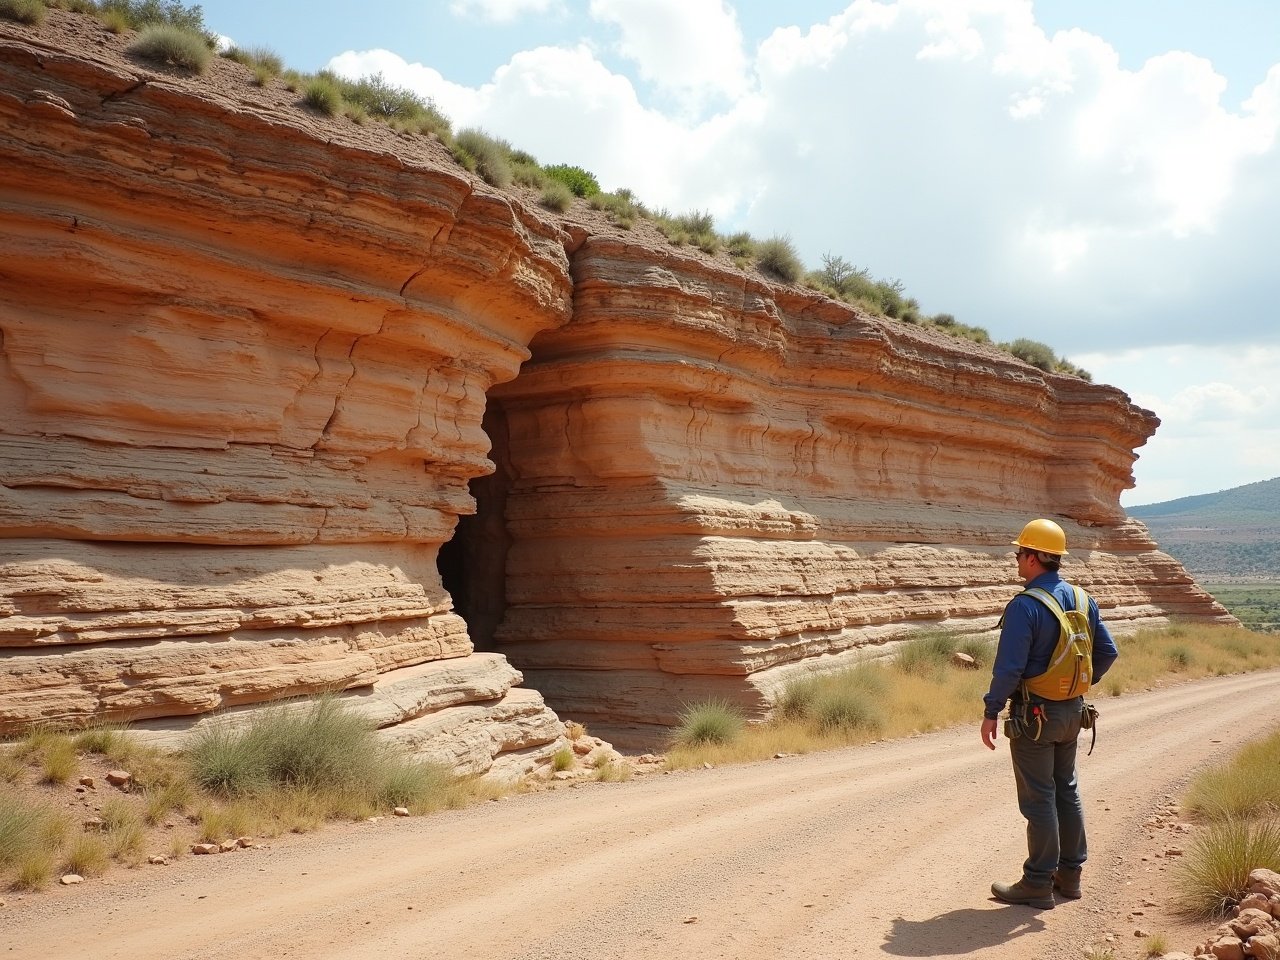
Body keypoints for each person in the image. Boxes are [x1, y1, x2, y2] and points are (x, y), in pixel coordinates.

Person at [980, 518, 1119, 909]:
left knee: (1039, 798)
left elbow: (1008, 669)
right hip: (1073, 712)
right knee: (1066, 790)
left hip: (1034, 717)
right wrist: (1074, 687)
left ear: (1036, 557)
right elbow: (1107, 653)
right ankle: (1070, 877)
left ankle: (1038, 882)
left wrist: (992, 710)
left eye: (1020, 552)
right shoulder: (1081, 598)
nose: (1017, 558)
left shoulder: (1025, 606)